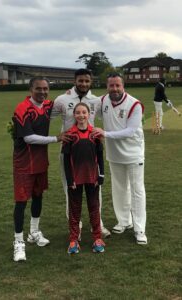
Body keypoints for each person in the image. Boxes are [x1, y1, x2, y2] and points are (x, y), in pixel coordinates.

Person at [12, 77, 69, 262]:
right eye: (39, 89)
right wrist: (56, 138)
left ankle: (34, 232)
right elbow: (28, 138)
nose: (43, 92)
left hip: (40, 161)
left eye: (46, 89)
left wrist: (70, 93)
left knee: (38, 196)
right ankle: (18, 242)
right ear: (31, 89)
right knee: (21, 202)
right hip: (24, 162)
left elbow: (62, 102)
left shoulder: (47, 105)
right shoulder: (22, 108)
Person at [52, 68, 111, 239]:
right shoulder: (62, 99)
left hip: (90, 151)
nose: (83, 84)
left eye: (87, 81)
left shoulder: (96, 100)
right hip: (69, 152)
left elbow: (108, 116)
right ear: (75, 80)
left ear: (90, 82)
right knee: (70, 189)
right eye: (80, 81)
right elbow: (46, 116)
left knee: (95, 190)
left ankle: (97, 225)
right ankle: (75, 228)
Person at [93, 73, 147, 245]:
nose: (114, 89)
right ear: (107, 86)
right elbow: (86, 104)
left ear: (123, 86)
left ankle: (140, 229)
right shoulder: (103, 101)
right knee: (119, 188)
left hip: (133, 153)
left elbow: (130, 131)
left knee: (137, 190)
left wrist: (105, 133)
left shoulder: (134, 104)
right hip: (114, 154)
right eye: (111, 86)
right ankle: (124, 221)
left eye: (118, 85)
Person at [62, 103, 105, 254]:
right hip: (75, 179)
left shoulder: (95, 134)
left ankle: (97, 238)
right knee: (75, 210)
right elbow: (66, 160)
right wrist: (69, 179)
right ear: (74, 115)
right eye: (78, 113)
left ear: (88, 114)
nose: (81, 115)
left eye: (84, 112)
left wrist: (101, 175)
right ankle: (73, 240)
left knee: (94, 208)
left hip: (92, 177)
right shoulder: (70, 135)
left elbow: (99, 156)